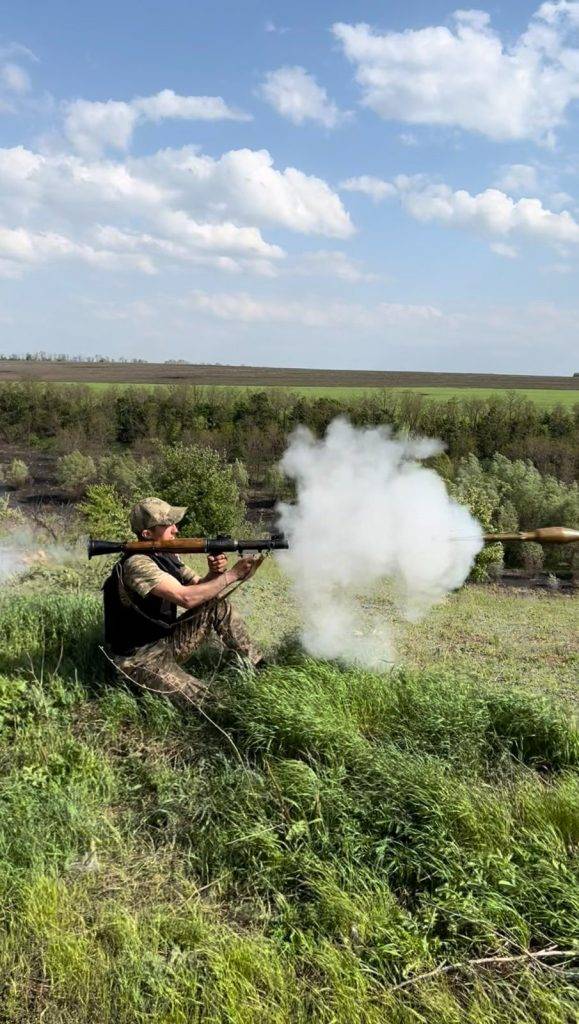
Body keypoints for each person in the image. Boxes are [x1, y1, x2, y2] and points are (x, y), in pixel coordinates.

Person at [103, 497, 264, 709]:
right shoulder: (137, 563)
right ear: (147, 534)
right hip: (138, 660)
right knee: (211, 703)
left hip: (165, 641)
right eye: (168, 524)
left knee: (215, 605)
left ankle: (259, 667)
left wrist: (215, 572)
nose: (176, 529)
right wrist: (231, 575)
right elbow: (186, 598)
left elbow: (200, 588)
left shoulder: (167, 556)